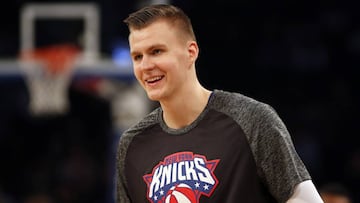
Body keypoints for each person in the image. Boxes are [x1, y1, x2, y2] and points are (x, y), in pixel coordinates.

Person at [116, 4, 324, 203]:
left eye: (156, 51)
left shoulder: (252, 120)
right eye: (137, 56)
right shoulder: (132, 144)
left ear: (191, 52)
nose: (146, 66)